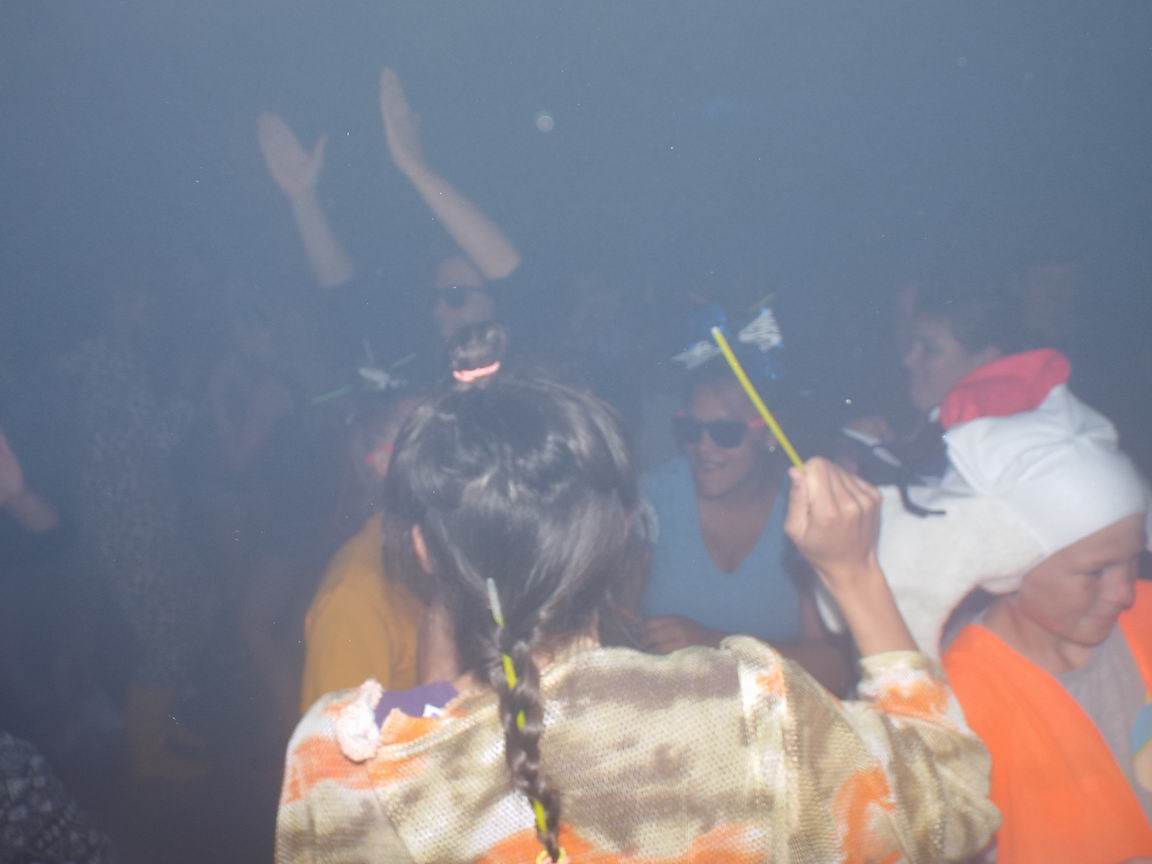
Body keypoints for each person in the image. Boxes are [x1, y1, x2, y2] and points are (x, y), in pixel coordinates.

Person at [274, 327, 999, 863]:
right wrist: (855, 575)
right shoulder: (749, 714)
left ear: (424, 551)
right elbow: (952, 807)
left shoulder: (345, 757)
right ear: (623, 533)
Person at [922, 352, 1152, 863]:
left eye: (1133, 559)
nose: (1125, 592)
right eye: (1096, 571)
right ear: (1009, 567)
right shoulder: (959, 697)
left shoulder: (1147, 617)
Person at [258, 68, 525, 375]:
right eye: (436, 298)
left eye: (455, 297)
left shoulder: (524, 366)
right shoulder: (429, 370)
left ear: (495, 304)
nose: (439, 310)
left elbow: (512, 276)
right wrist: (303, 199)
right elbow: (345, 295)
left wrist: (417, 169)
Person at [640, 358, 850, 692]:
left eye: (726, 433)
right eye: (691, 430)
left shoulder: (806, 511)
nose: (703, 447)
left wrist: (714, 645)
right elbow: (614, 631)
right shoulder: (654, 498)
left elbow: (833, 669)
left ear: (769, 433)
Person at [298, 390, 426, 714]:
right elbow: (336, 743)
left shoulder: (456, 559)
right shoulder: (354, 596)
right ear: (382, 463)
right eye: (425, 438)